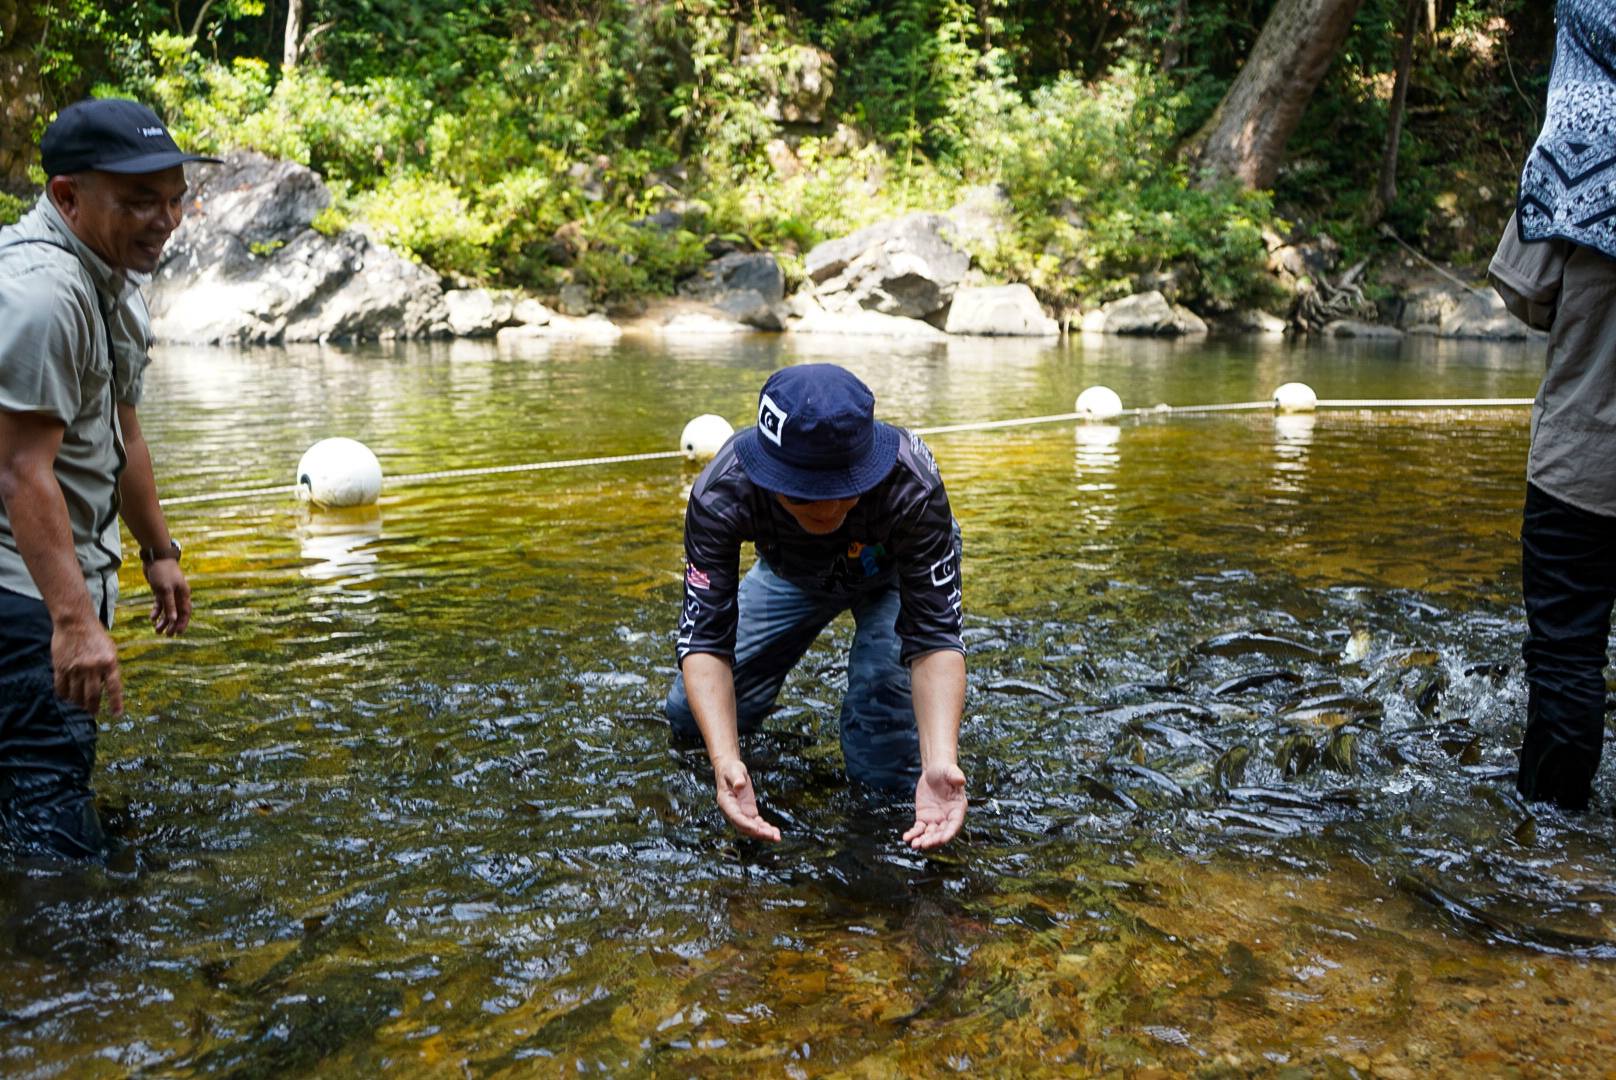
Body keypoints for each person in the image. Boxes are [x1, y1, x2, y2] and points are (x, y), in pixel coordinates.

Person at [0, 99, 217, 859]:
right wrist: (72, 623)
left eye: (173, 198)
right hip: (21, 602)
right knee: (51, 839)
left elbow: (121, 429)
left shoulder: (110, 278)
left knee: (33, 806)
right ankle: (61, 976)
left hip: (40, 591)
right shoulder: (41, 296)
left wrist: (160, 552)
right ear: (67, 196)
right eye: (137, 201)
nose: (164, 219)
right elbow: (19, 470)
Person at [666, 363, 968, 850]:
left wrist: (940, 758)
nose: (828, 511)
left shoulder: (911, 481)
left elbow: (933, 634)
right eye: (806, 497)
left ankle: (888, 855)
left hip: (891, 578)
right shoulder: (723, 490)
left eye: (844, 492)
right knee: (687, 717)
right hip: (792, 575)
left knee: (883, 754)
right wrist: (726, 764)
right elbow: (705, 636)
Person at [1489, 0, 1616, 812]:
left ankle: (1549, 853)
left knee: (1567, 660)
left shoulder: (1582, 142)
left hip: (1584, 465)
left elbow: (1524, 292)